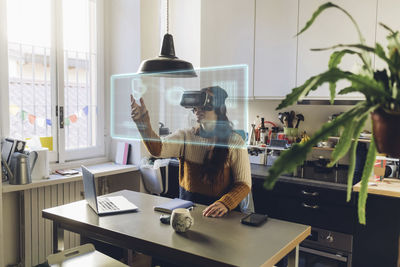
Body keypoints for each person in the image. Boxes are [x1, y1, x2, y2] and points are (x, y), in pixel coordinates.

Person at [130, 86, 251, 217]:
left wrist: (226, 203)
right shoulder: (186, 136)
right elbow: (157, 150)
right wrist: (143, 124)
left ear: (219, 108)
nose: (198, 109)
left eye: (204, 105)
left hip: (220, 216)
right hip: (188, 214)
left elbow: (243, 184)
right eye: (196, 106)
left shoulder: (235, 142)